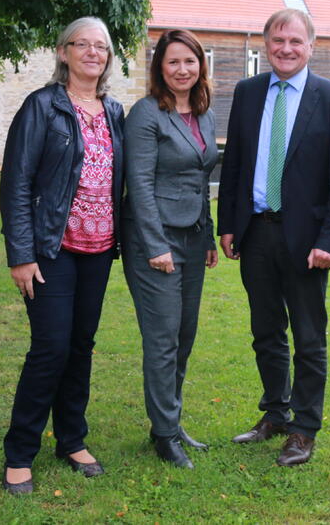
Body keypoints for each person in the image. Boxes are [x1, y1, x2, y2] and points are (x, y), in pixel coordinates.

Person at [217, 8, 330, 466]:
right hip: (256, 232)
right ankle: (275, 413)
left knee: (309, 336)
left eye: (295, 41)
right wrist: (228, 224)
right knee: (265, 331)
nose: (286, 48)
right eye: (278, 40)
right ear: (265, 44)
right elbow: (234, 162)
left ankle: (304, 429)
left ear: (311, 46)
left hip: (307, 241)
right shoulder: (247, 91)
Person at [0, 16, 126, 494]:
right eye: (83, 44)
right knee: (50, 348)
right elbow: (16, 183)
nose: (93, 52)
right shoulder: (42, 107)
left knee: (81, 347)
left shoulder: (114, 111)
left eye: (101, 46)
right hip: (52, 249)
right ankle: (19, 452)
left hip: (98, 251)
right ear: (63, 52)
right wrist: (21, 253)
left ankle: (72, 439)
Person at [122, 29, 219, 469]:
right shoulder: (146, 113)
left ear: (201, 65)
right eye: (173, 62)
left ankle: (171, 421)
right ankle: (164, 435)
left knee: (184, 337)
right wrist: (154, 244)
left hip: (194, 237)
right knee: (162, 339)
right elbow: (138, 183)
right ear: (160, 67)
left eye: (190, 61)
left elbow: (202, 181)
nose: (183, 70)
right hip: (155, 240)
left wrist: (210, 234)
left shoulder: (204, 113)